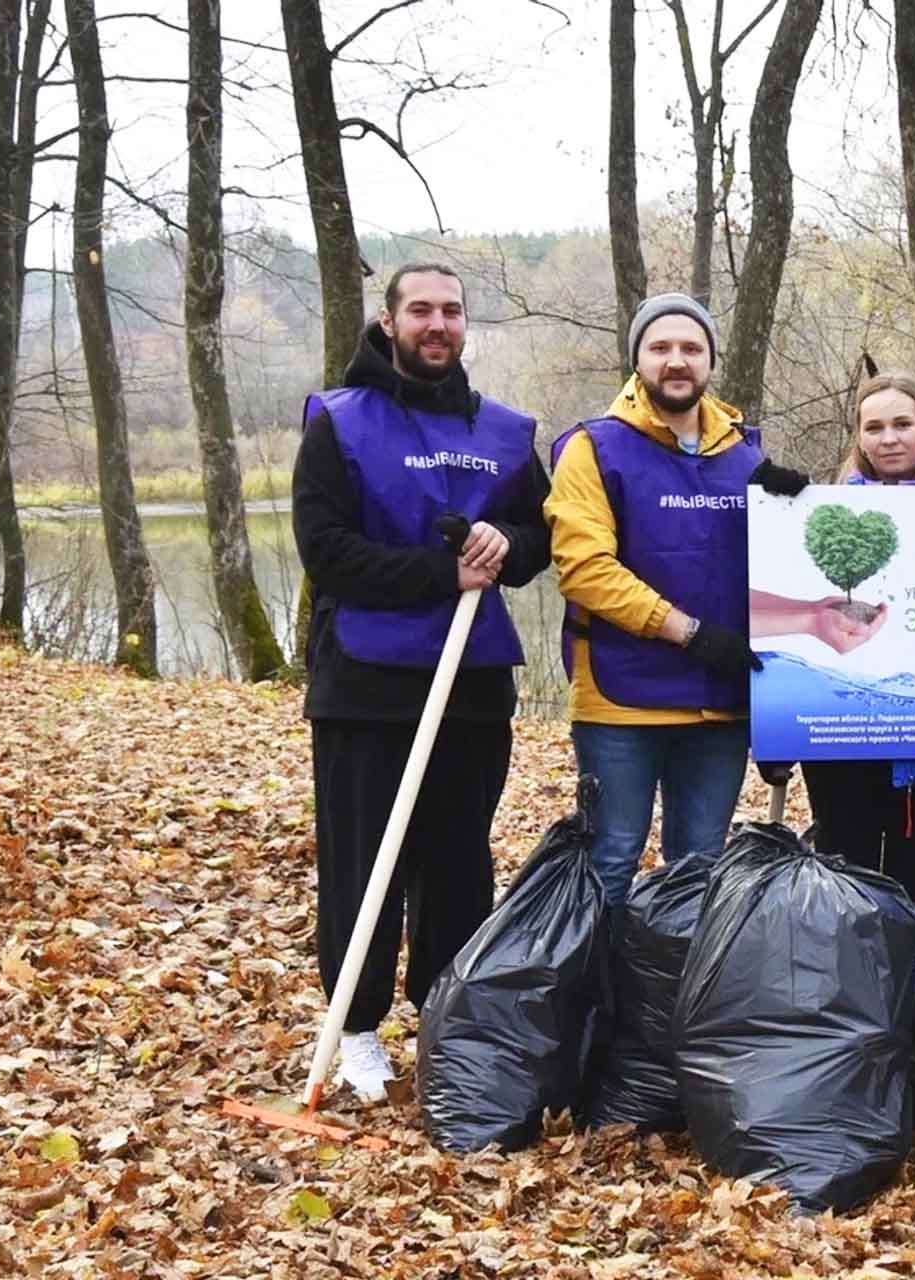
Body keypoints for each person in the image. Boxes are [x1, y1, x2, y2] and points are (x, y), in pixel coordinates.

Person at [292, 263, 552, 1101]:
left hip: (471, 687)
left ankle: (447, 1013)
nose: (437, 324)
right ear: (390, 319)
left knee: (456, 861)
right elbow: (326, 551)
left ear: (465, 323)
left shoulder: (507, 432)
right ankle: (358, 1027)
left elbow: (538, 537)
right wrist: (443, 570)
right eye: (420, 310)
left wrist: (504, 546)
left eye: (451, 310)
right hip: (366, 685)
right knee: (365, 861)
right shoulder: (338, 421)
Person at [545, 292, 807, 908]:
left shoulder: (743, 452)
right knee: (609, 863)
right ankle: (598, 1000)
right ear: (637, 358)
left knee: (698, 870)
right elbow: (585, 570)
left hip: (720, 705)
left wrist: (796, 510)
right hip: (621, 702)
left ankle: (669, 1000)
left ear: (710, 361)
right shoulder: (592, 447)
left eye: (691, 348)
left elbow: (782, 573)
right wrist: (687, 632)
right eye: (660, 347)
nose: (677, 360)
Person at [766, 371, 915, 907]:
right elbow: (789, 624)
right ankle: (856, 992)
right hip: (841, 742)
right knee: (847, 885)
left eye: (902, 423)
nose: (888, 438)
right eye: (874, 427)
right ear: (858, 435)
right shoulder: (815, 515)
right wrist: (777, 729)